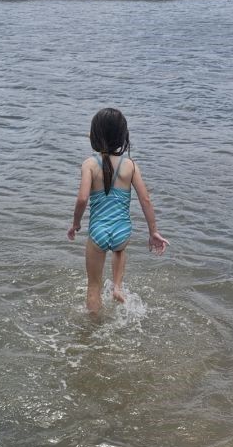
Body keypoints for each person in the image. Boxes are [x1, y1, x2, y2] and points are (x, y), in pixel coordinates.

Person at [67, 107, 169, 312]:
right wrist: (153, 231)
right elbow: (146, 200)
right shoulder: (130, 165)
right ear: (123, 136)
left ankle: (93, 332)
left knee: (93, 287)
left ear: (95, 135)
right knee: (119, 250)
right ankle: (117, 286)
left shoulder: (90, 164)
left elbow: (82, 198)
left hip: (98, 231)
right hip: (122, 231)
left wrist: (76, 223)